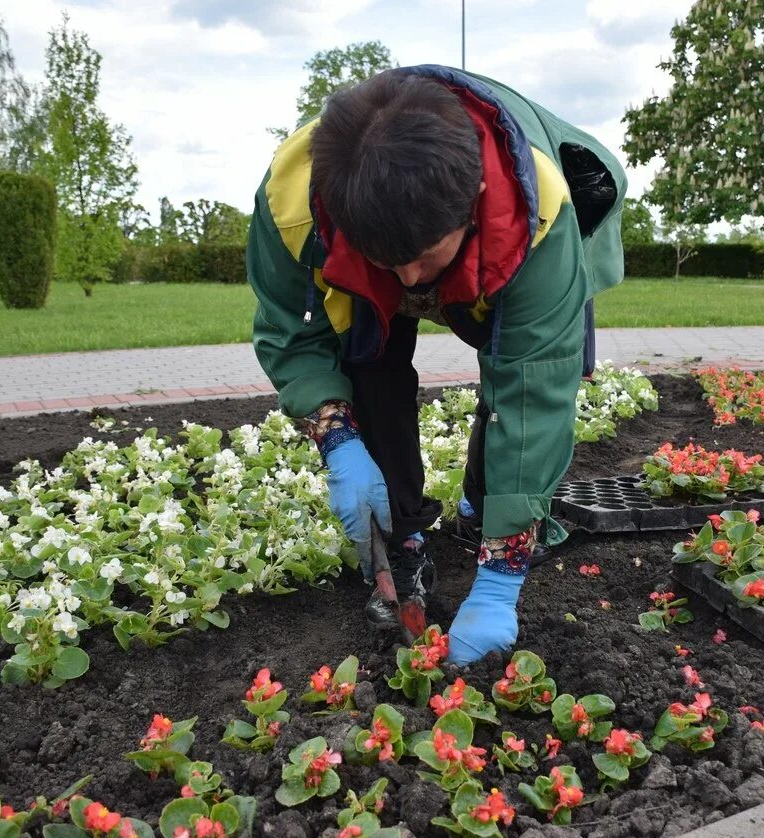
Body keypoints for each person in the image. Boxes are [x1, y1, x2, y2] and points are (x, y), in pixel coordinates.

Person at [247, 65, 626, 665]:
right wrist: (339, 439)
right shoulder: (289, 199)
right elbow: (294, 332)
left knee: (514, 383)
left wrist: (503, 574)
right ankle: (403, 542)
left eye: (423, 259)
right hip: (370, 245)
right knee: (367, 356)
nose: (408, 282)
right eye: (386, 262)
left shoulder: (544, 218)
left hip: (529, 238)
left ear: (472, 200)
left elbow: (533, 394)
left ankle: (486, 515)